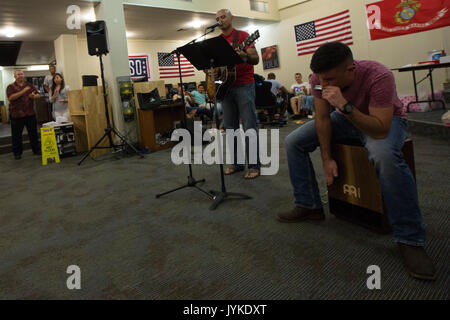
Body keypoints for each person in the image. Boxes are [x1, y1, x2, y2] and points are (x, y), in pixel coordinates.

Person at [279, 42, 436, 281]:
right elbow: (322, 118)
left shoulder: (378, 75)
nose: (324, 83)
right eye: (321, 79)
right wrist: (327, 158)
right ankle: (309, 205)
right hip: (345, 118)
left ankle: (410, 238)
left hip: (386, 121)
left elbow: (381, 128)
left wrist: (344, 104)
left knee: (383, 154)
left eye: (330, 79)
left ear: (350, 70)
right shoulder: (319, 78)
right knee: (293, 141)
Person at [213, 8, 261, 179]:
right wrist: (212, 72)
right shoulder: (217, 41)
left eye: (223, 17)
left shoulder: (242, 36)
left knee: (249, 125)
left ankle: (254, 165)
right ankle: (237, 163)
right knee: (230, 127)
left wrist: (244, 56)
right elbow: (213, 65)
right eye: (217, 18)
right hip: (225, 87)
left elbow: (255, 58)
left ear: (231, 18)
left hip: (244, 85)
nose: (220, 20)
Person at [6, 70, 41, 159]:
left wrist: (33, 96)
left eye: (21, 74)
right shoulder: (10, 87)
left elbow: (38, 95)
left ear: (24, 75)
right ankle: (17, 153)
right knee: (17, 135)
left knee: (33, 133)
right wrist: (23, 91)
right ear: (15, 76)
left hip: (30, 113)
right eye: (18, 74)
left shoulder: (30, 85)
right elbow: (11, 98)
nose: (20, 76)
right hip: (17, 115)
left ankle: (36, 150)